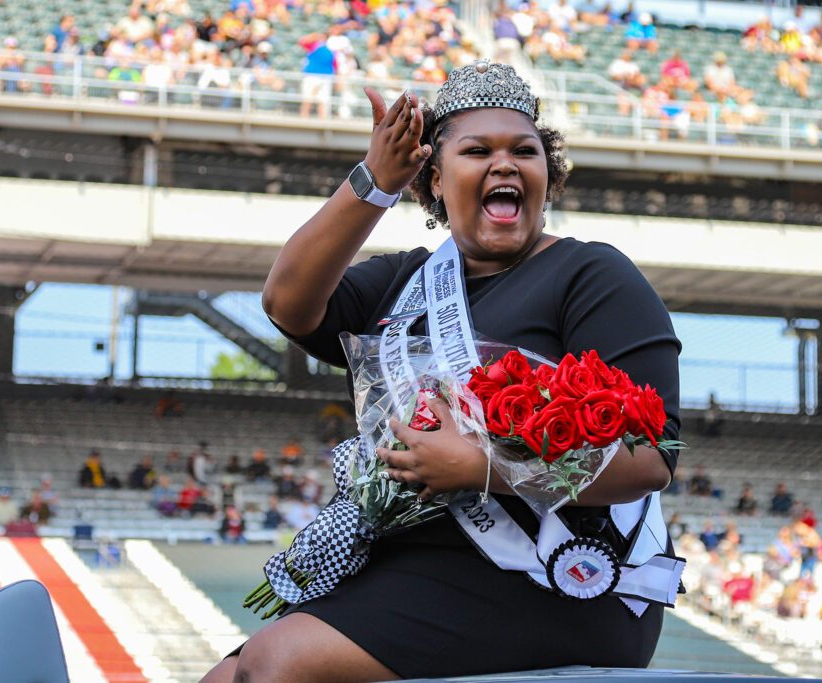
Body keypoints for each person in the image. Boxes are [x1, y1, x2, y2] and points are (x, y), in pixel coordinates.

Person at [202, 61, 682, 682]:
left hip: (559, 576)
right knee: (228, 677)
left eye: (524, 151)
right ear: (433, 176)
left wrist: (482, 466)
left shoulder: (592, 276)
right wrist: (374, 182)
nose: (504, 164)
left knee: (275, 665)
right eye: (477, 150)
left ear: (548, 174)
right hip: (413, 565)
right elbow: (287, 303)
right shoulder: (406, 282)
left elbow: (651, 461)